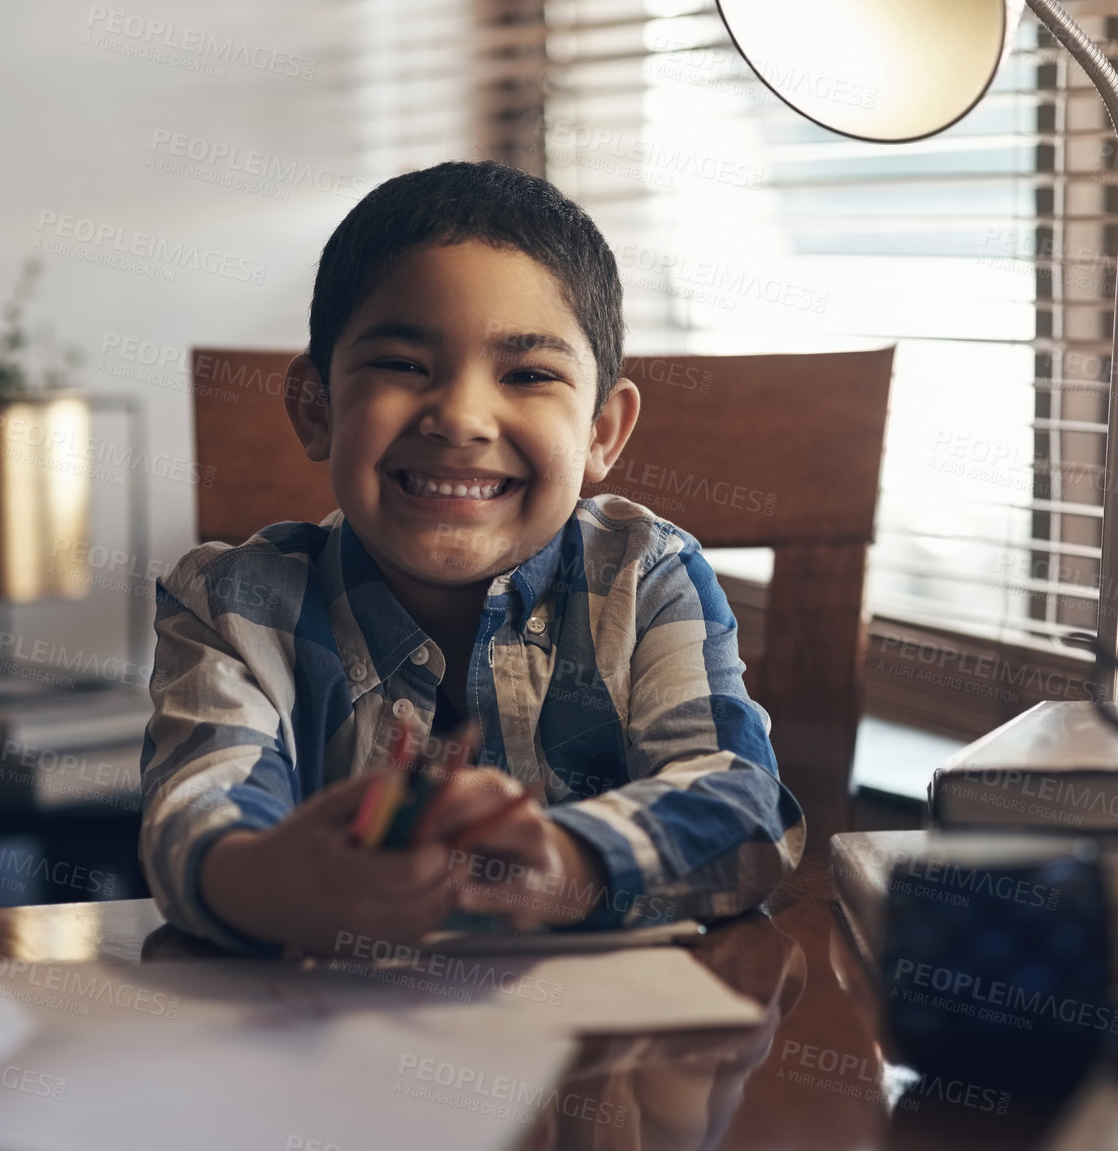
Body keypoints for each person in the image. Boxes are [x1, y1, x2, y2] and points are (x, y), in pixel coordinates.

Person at [139, 160, 804, 952]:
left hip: (598, 1061)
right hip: (323, 1048)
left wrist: (565, 862)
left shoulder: (643, 575)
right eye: (402, 365)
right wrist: (272, 879)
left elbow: (741, 809)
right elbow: (191, 820)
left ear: (601, 433)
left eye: (527, 373)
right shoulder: (233, 603)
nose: (460, 417)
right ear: (316, 409)